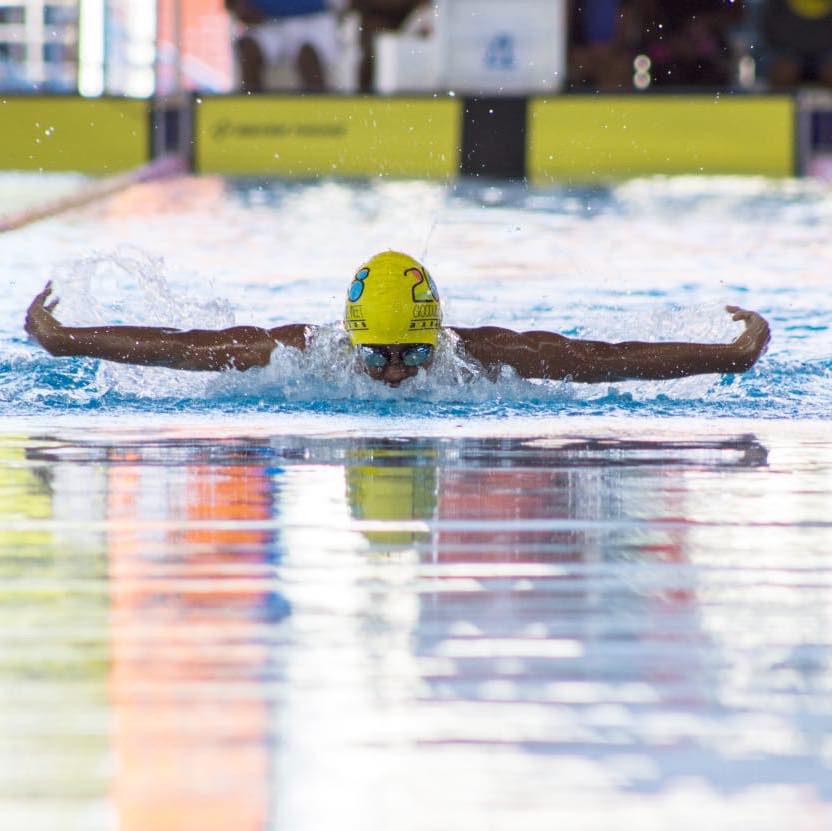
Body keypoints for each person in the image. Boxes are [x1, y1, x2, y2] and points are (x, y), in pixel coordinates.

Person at [24, 251, 770, 389]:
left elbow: (607, 359)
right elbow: (184, 350)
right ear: (349, 337)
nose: (389, 374)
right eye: (376, 353)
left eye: (413, 357)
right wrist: (67, 343)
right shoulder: (298, 355)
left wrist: (725, 355)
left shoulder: (486, 358)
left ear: (437, 339)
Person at [225, 0, 338, 92]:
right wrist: (238, 6)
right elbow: (232, 4)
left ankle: (318, 115)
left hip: (313, 19)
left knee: (309, 56)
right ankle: (252, 114)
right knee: (249, 50)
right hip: (266, 22)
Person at [349, 0, 428, 92]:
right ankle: (364, 95)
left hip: (400, 34)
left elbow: (422, 8)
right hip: (372, 32)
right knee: (371, 61)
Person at [760, 0, 832, 90]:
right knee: (783, 71)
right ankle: (779, 102)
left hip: (827, 51)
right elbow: (770, 26)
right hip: (788, 50)